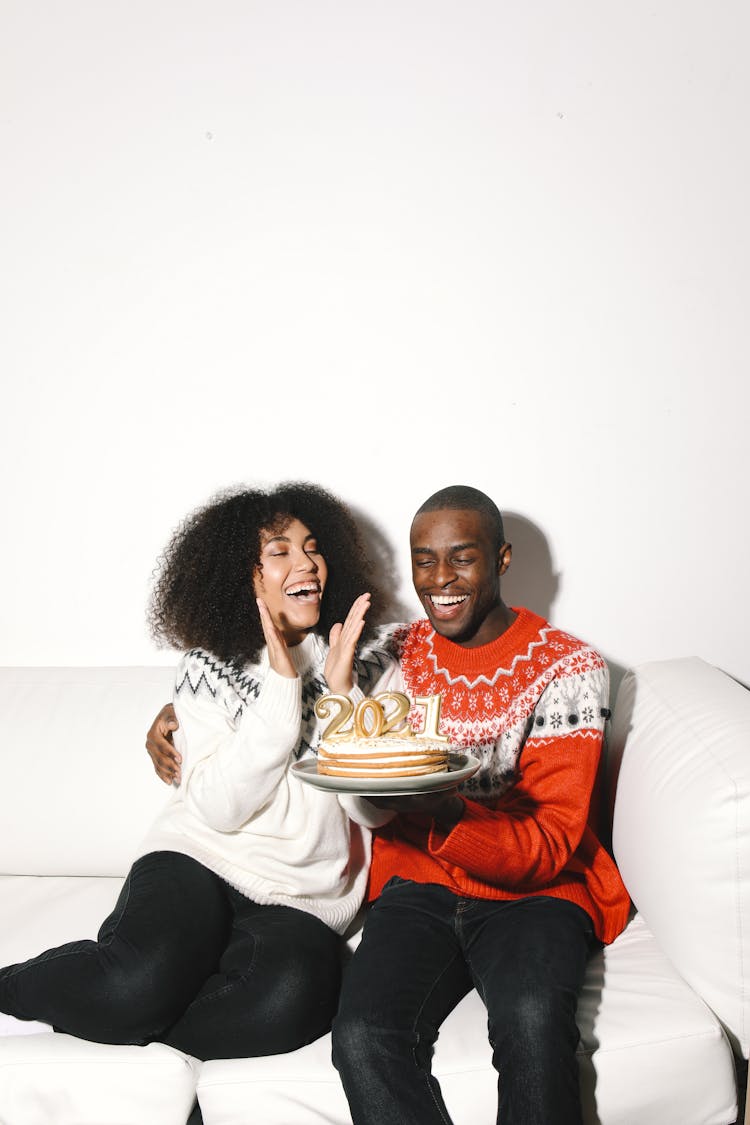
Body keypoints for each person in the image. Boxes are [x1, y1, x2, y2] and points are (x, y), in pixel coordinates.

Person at [146, 484, 631, 1124]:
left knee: (533, 1023)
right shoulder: (392, 648)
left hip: (533, 894)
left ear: (503, 559)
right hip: (417, 889)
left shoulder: (570, 667)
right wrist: (172, 717)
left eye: (463, 557)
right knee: (364, 1037)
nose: (441, 579)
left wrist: (444, 810)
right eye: (424, 561)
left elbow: (547, 845)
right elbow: (306, 675)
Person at [0, 482, 398, 1063]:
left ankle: (135, 1023)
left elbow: (375, 811)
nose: (306, 562)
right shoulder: (210, 665)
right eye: (279, 551)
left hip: (301, 897)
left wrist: (341, 700)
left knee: (289, 1004)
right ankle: (25, 991)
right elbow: (217, 807)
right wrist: (283, 691)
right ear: (246, 576)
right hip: (199, 859)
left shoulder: (369, 658)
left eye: (312, 547)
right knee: (131, 986)